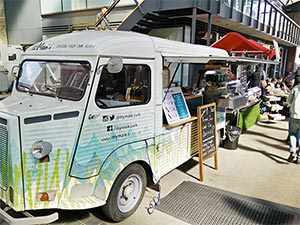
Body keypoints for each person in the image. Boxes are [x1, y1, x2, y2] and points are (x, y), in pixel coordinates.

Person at [286, 75, 300, 164]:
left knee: (292, 134)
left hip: (295, 115)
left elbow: (288, 101)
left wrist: (288, 105)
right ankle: (299, 157)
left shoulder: (296, 88)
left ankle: (292, 151)